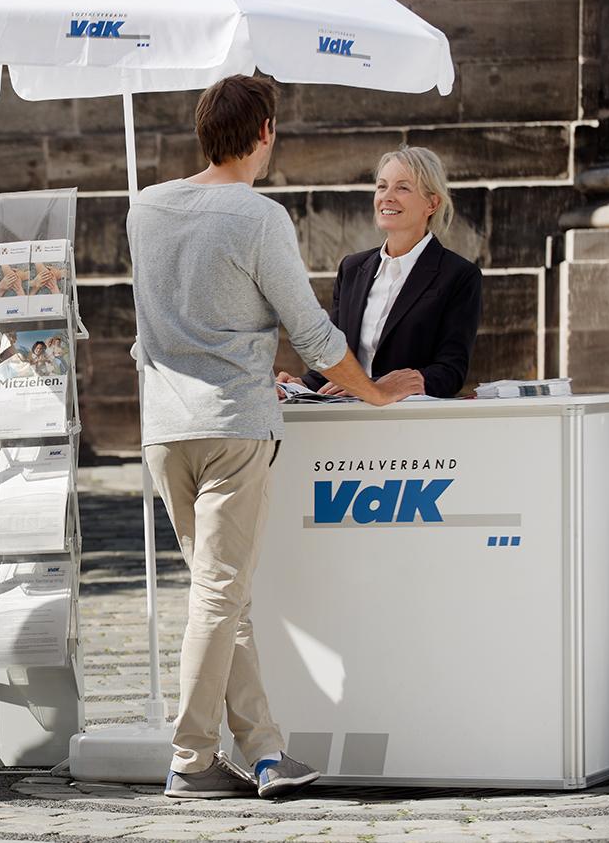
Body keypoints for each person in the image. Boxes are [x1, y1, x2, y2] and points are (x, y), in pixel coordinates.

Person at [126, 75, 422, 801]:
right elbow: (314, 333)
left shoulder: (145, 207)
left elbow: (176, 316)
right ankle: (193, 758)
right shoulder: (258, 216)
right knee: (219, 594)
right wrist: (375, 391)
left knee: (220, 596)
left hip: (165, 429)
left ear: (203, 130)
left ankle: (262, 751)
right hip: (233, 426)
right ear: (264, 132)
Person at [277, 146, 482, 398]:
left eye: (402, 187)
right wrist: (299, 385)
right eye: (382, 186)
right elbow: (335, 363)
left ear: (432, 203)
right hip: (349, 421)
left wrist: (370, 386)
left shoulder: (459, 276)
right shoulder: (352, 269)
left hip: (410, 424)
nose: (387, 196)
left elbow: (450, 373)